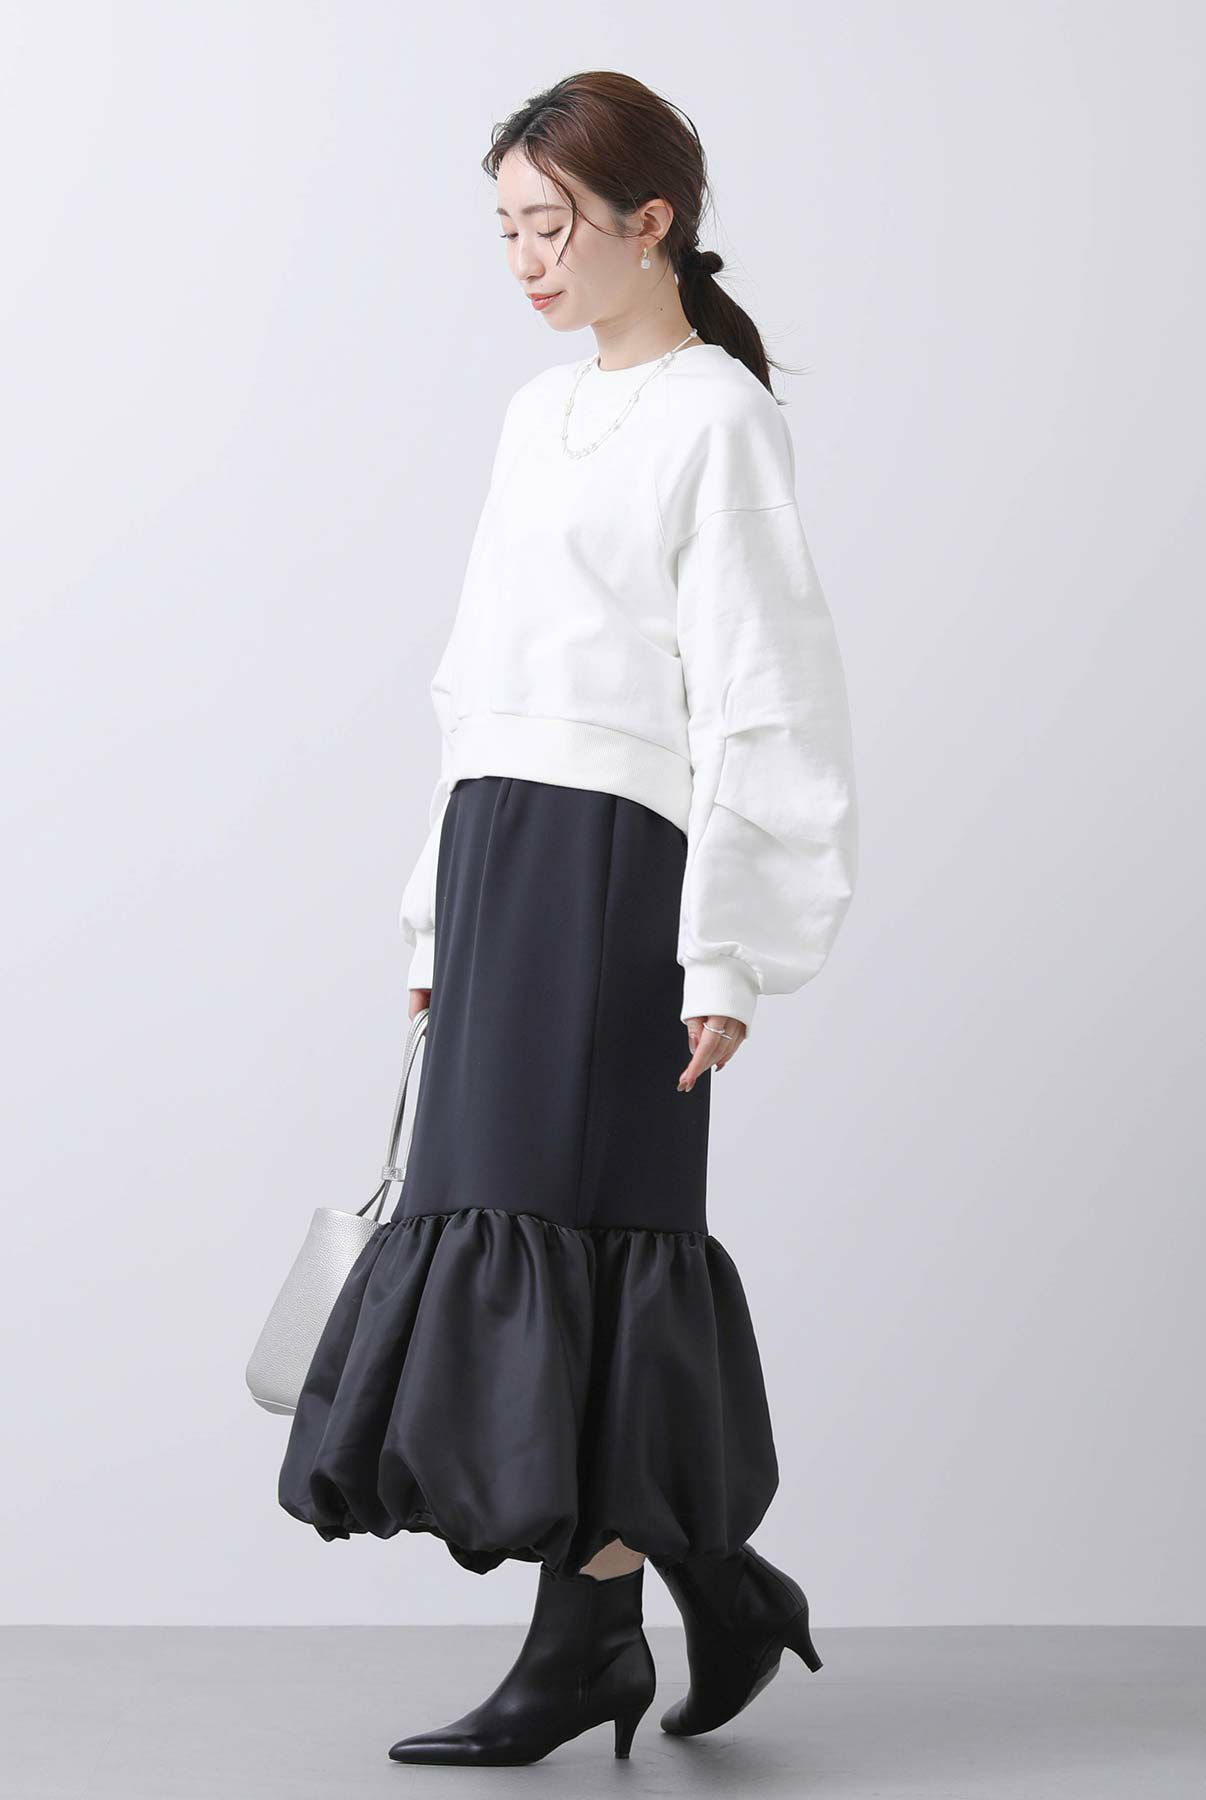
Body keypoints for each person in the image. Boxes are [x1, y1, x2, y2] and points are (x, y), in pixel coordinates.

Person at [276, 69, 857, 1767]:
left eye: (555, 225)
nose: (528, 260)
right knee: (495, 1222)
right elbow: (480, 685)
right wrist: (433, 918)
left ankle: (593, 1637)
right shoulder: (538, 418)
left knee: (591, 1239)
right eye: (510, 230)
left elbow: (764, 693)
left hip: (622, 870)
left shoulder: (718, 419)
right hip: (502, 852)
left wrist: (729, 942)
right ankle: (696, 1592)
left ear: (649, 221)